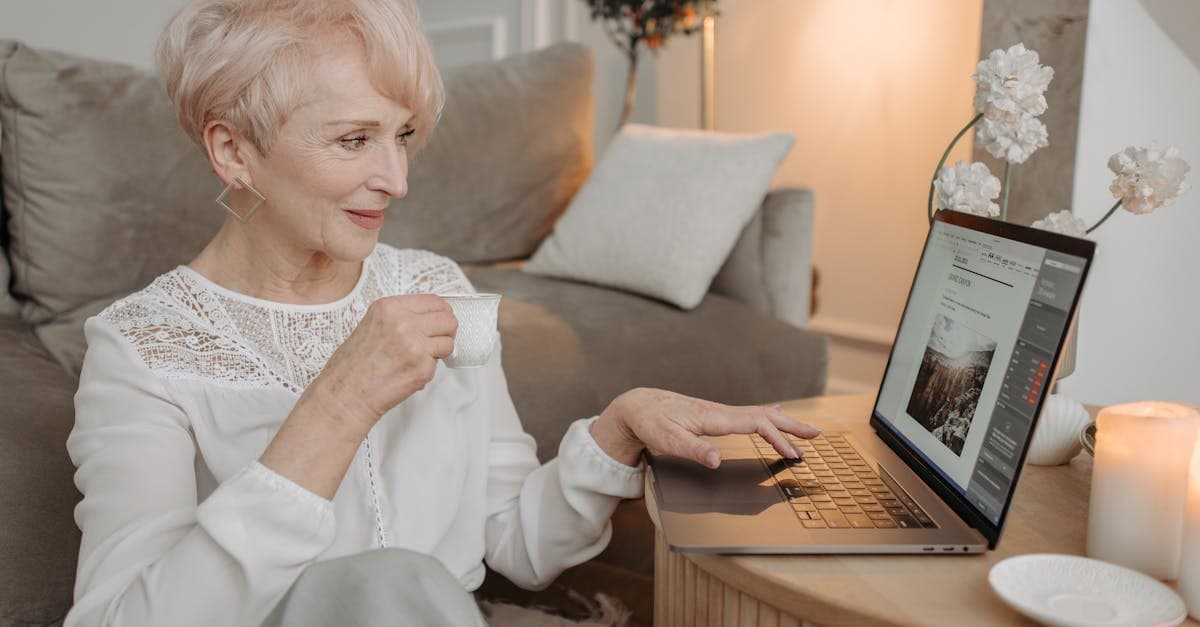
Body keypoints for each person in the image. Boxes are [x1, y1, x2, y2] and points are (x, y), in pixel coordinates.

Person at [64, 0, 821, 625]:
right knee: (388, 581)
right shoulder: (143, 346)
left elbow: (516, 542)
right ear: (232, 151)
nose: (395, 179)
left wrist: (613, 430)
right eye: (353, 139)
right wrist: (337, 404)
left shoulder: (432, 284)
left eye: (401, 136)